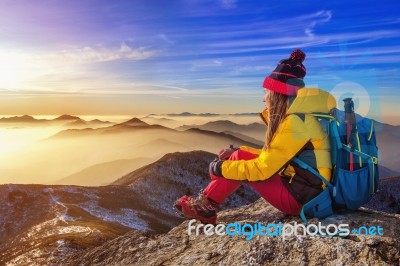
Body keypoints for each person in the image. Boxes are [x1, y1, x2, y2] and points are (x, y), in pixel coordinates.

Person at [174, 49, 337, 224]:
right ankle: (206, 206)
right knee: (238, 157)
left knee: (239, 167)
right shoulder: (301, 116)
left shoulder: (296, 123)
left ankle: (205, 208)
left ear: (277, 95)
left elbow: (262, 169)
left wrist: (220, 168)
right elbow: (276, 157)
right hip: (304, 188)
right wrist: (240, 151)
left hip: (303, 199)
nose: (263, 99)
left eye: (266, 93)